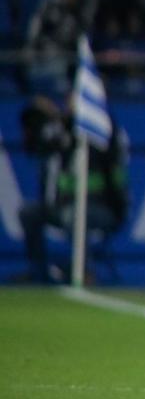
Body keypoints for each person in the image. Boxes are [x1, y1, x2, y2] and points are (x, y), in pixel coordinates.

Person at [18, 97, 129, 285]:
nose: (70, 104)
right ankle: (38, 271)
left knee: (74, 216)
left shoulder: (100, 136)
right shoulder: (62, 131)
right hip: (61, 205)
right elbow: (34, 145)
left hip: (99, 207)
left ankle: (85, 272)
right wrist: (50, 116)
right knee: (28, 213)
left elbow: (111, 161)